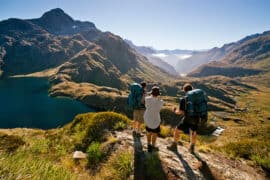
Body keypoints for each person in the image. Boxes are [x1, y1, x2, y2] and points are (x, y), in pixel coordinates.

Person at [167, 83, 200, 153]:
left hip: (187, 119)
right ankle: (192, 148)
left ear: (184, 90)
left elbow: (180, 112)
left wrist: (175, 110)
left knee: (177, 130)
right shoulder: (197, 99)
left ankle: (174, 145)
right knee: (193, 132)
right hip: (196, 118)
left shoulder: (184, 99)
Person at [144, 86, 163, 152]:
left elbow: (146, 105)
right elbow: (159, 109)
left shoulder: (147, 99)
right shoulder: (161, 101)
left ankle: (148, 144)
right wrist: (159, 99)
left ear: (151, 93)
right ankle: (153, 145)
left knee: (148, 132)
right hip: (156, 118)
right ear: (158, 94)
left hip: (147, 117)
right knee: (155, 133)